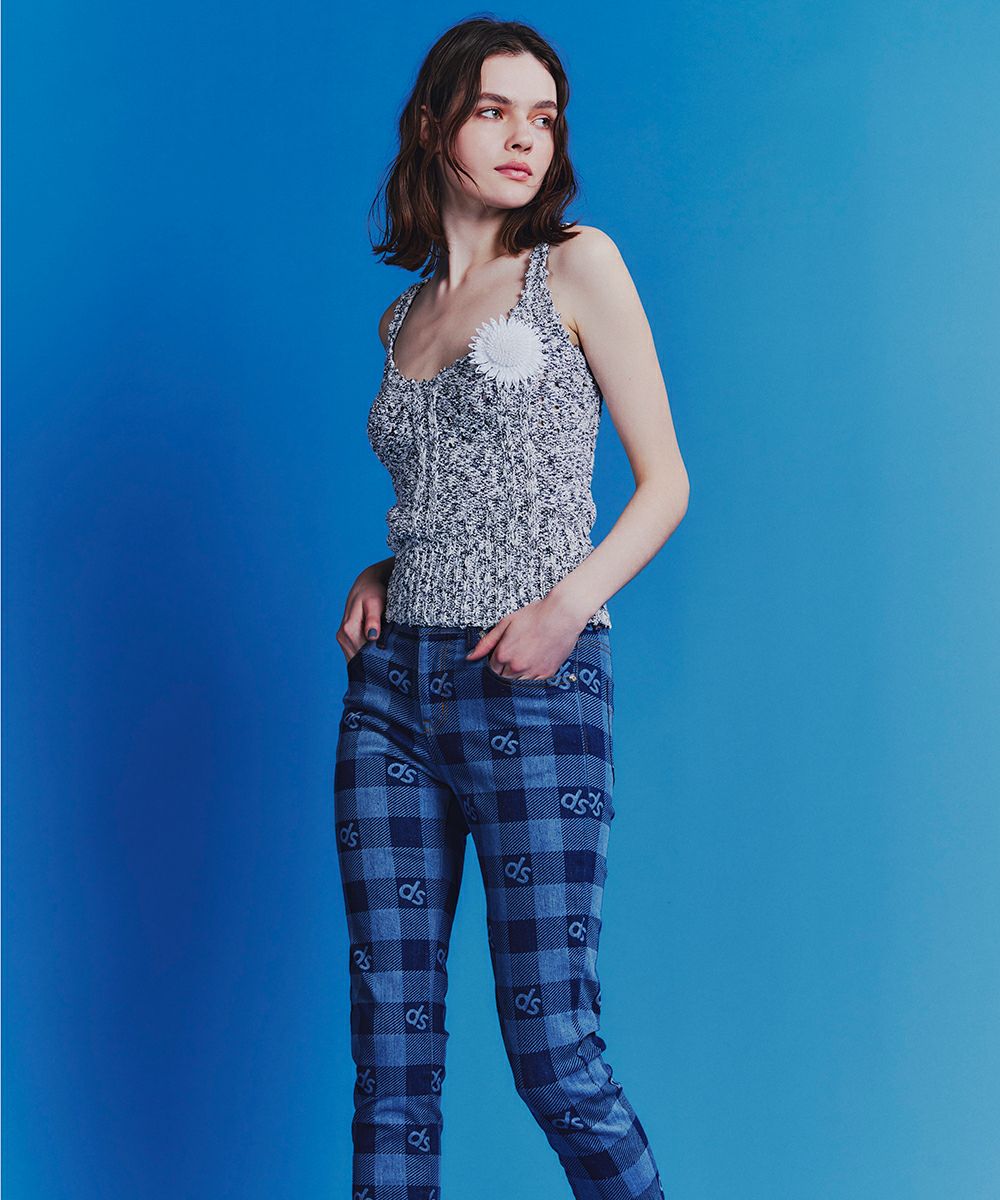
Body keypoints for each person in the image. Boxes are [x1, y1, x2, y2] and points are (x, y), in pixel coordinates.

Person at [334, 17, 688, 1200]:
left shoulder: (575, 265)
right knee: (390, 1060)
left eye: (543, 117)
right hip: (390, 696)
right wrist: (382, 574)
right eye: (495, 111)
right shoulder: (402, 318)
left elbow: (666, 483)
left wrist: (566, 607)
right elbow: (450, 494)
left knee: (554, 1054)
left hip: (529, 684)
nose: (523, 137)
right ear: (433, 125)